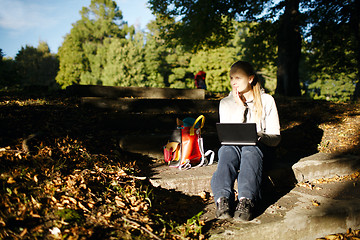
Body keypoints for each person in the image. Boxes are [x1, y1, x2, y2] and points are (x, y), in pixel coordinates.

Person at [211, 60, 281, 221]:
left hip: (261, 150)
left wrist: (259, 136)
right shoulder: (225, 103)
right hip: (234, 150)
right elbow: (229, 136)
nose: (234, 82)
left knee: (251, 149)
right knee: (226, 150)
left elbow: (276, 138)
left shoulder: (267, 100)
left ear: (250, 79)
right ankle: (222, 200)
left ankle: (246, 201)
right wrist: (239, 108)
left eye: (238, 78)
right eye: (231, 78)